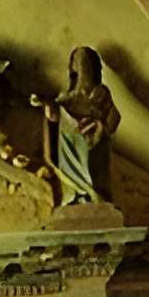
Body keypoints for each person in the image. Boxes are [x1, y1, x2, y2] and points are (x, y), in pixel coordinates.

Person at [35, 45, 119, 204]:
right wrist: (49, 111)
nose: (83, 66)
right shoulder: (65, 97)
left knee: (94, 170)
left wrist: (100, 127)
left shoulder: (101, 93)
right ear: (73, 68)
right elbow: (54, 118)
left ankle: (95, 195)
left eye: (86, 62)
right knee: (69, 170)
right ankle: (74, 194)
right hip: (68, 143)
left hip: (93, 142)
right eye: (79, 61)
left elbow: (114, 118)